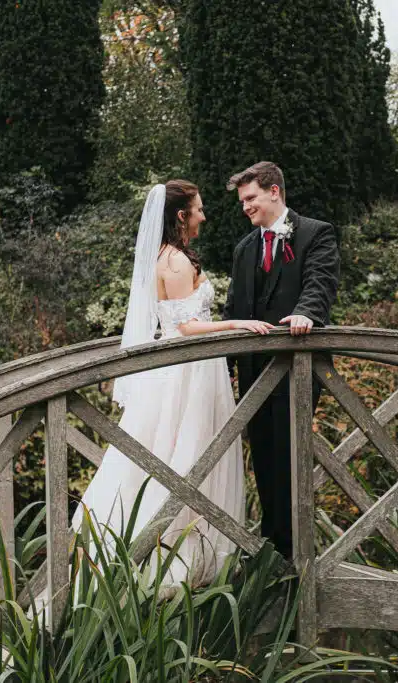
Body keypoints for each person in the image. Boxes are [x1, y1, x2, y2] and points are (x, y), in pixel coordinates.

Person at [72, 180, 274, 590]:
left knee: (180, 453)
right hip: (190, 372)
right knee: (188, 454)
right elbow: (185, 327)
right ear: (181, 216)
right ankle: (180, 561)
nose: (203, 215)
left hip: (189, 369)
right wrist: (236, 323)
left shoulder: (165, 257)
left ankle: (168, 554)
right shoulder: (177, 262)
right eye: (198, 209)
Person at [223, 161, 340, 559]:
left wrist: (307, 312)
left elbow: (320, 281)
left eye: (251, 198)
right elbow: (233, 308)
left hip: (297, 369)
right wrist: (217, 364)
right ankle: (273, 556)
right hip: (254, 373)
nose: (245, 208)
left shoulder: (315, 233)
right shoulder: (243, 249)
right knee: (265, 463)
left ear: (275, 192)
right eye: (242, 201)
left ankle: (299, 559)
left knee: (291, 460)